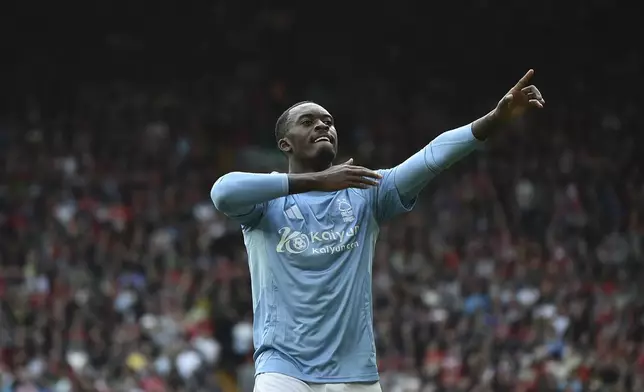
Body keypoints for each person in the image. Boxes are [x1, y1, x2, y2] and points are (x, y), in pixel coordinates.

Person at [210, 70, 545, 392]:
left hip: (356, 374)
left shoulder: (366, 192)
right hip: (283, 371)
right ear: (285, 144)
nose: (323, 126)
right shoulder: (266, 203)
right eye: (308, 122)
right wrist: (314, 182)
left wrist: (492, 120)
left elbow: (430, 158)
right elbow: (222, 192)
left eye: (328, 121)